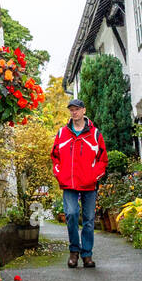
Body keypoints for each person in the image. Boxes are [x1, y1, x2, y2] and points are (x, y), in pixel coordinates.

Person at [50, 97, 109, 268]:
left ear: (84, 111)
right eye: (71, 110)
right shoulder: (62, 133)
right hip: (69, 183)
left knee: (89, 219)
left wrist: (94, 176)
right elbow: (55, 157)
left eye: (77, 109)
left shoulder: (95, 134)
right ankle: (74, 252)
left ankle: (87, 255)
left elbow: (102, 160)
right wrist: (59, 174)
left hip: (89, 184)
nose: (74, 112)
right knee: (71, 214)